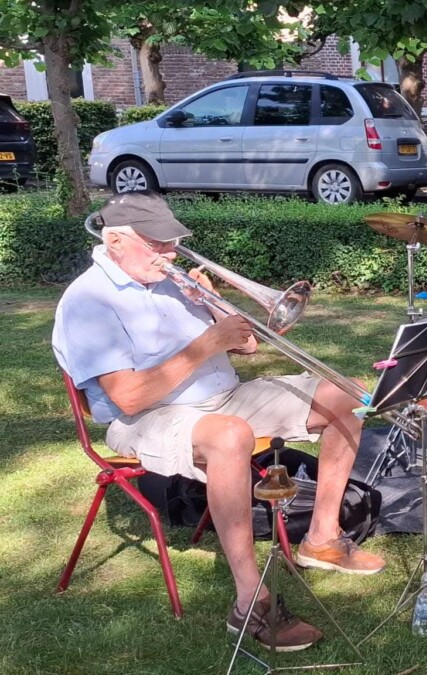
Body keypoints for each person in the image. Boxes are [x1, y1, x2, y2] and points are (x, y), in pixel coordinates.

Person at [52, 191, 384, 652]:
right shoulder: (88, 301)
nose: (170, 254)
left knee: (344, 393)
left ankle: (322, 536)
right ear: (115, 241)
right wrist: (206, 344)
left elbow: (248, 346)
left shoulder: (165, 279)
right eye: (158, 243)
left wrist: (211, 304)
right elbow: (128, 397)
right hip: (146, 416)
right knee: (230, 435)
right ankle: (252, 601)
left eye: (172, 243)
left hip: (224, 397)